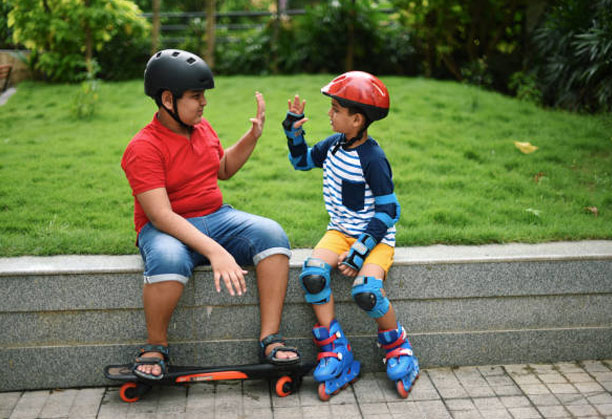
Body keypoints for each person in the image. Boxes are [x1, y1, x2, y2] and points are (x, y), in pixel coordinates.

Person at [121, 49, 299, 380]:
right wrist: (216, 251)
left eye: (204, 95)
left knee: (272, 234)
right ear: (167, 100)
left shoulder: (202, 129)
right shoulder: (143, 148)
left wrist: (253, 137)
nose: (204, 103)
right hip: (166, 229)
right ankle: (154, 346)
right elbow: (160, 216)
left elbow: (223, 169)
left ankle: (270, 338)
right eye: (196, 96)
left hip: (215, 217)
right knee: (168, 258)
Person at [281, 71, 419, 400]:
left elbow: (388, 212)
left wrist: (360, 250)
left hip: (375, 240)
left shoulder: (373, 158)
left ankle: (398, 345)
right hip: (340, 233)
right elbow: (301, 162)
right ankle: (334, 350)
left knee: (367, 293)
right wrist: (293, 131)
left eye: (335, 109)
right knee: (312, 276)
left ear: (356, 119)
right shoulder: (333, 146)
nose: (329, 113)